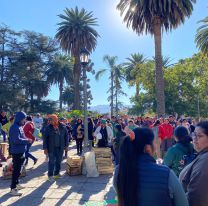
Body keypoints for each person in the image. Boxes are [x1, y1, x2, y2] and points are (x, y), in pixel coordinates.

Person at [114, 127, 188, 206]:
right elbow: (183, 203)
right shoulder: (167, 174)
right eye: (154, 143)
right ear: (147, 148)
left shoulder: (119, 170)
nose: (155, 147)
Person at [179, 121, 208, 206]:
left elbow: (196, 197)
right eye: (194, 134)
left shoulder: (206, 159)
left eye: (199, 136)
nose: (194, 139)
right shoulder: (203, 155)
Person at [9, 112, 32, 196]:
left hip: (21, 151)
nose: (25, 120)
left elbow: (22, 137)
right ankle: (13, 188)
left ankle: (17, 184)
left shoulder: (19, 126)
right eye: (24, 119)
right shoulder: (14, 127)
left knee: (19, 169)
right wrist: (27, 140)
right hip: (17, 152)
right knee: (16, 170)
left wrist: (27, 138)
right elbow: (16, 140)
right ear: (19, 118)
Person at [43, 114, 69, 180]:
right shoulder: (48, 128)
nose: (49, 122)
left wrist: (66, 145)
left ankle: (56, 174)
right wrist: (45, 148)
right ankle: (50, 175)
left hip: (60, 147)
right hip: (51, 148)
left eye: (51, 120)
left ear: (55, 120)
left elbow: (66, 136)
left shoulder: (63, 126)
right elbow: (45, 139)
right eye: (49, 120)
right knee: (51, 161)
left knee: (58, 161)